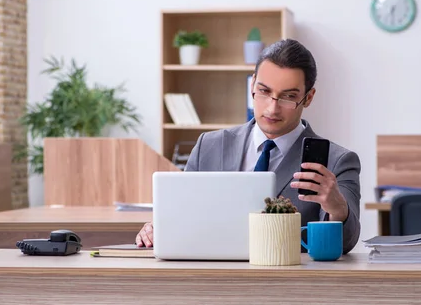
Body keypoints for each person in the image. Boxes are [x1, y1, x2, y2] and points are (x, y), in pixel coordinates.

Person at [136, 39, 362, 254]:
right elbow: (181, 217)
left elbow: (346, 243)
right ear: (252, 84)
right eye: (264, 91)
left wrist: (338, 209)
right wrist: (157, 229)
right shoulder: (209, 146)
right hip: (213, 279)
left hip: (290, 287)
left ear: (309, 97)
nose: (272, 109)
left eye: (288, 97)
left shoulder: (338, 160)